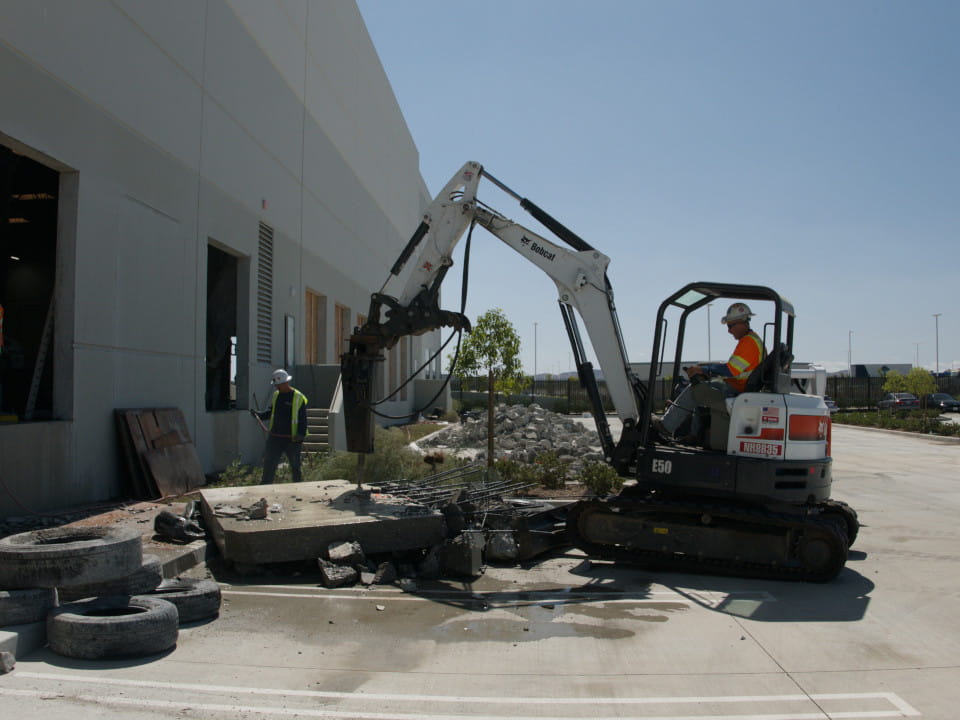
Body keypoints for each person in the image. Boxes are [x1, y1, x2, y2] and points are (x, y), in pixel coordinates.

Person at [659, 302, 766, 441]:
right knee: (701, 386)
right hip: (740, 388)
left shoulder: (748, 342)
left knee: (695, 390)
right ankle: (695, 435)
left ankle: (666, 426)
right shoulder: (752, 340)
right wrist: (705, 368)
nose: (729, 331)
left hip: (737, 390)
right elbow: (732, 367)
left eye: (730, 326)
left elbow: (729, 370)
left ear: (742, 322)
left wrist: (702, 369)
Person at [251, 368, 309, 483]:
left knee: (295, 466)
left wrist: (300, 435)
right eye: (276, 385)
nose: (277, 387)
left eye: (279, 385)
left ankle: (298, 487)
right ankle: (265, 487)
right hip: (275, 437)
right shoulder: (276, 395)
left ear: (286, 382)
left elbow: (303, 418)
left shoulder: (298, 397)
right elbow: (271, 412)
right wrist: (259, 415)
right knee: (269, 465)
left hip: (292, 439)